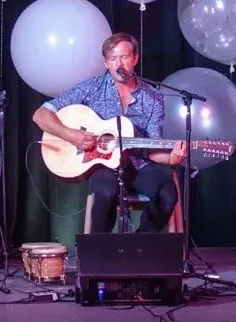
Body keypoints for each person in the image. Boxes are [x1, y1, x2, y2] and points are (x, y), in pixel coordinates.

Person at [31, 32, 186, 233]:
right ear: (106, 62)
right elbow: (40, 115)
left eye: (124, 57)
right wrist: (71, 135)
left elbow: (152, 149)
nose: (118, 63)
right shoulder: (92, 87)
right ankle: (98, 252)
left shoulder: (153, 97)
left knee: (167, 194)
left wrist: (171, 158)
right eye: (113, 58)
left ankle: (139, 245)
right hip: (101, 165)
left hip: (136, 165)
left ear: (135, 58)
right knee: (106, 192)